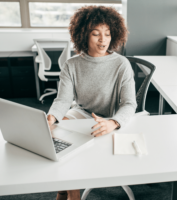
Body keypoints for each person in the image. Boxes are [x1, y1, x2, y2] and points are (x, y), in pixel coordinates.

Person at [46, 5, 137, 200]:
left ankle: (63, 190)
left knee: (68, 141)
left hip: (108, 118)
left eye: (107, 33)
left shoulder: (121, 64)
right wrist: (52, 116)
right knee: (57, 129)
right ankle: (73, 194)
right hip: (81, 113)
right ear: (84, 36)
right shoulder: (72, 65)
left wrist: (114, 122)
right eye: (96, 34)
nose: (103, 39)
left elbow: (129, 104)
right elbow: (63, 100)